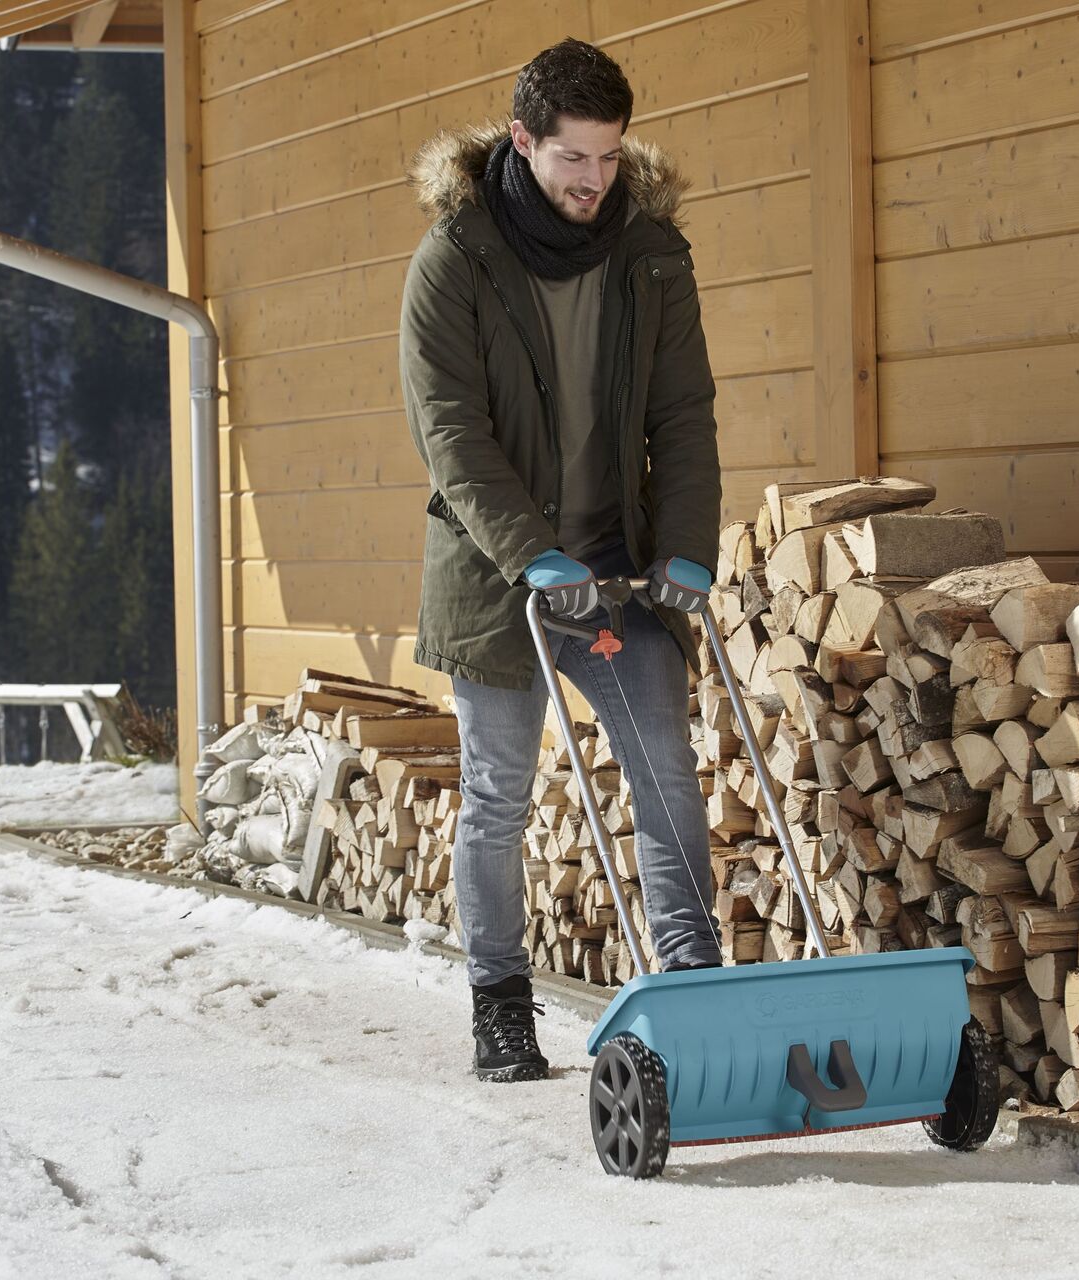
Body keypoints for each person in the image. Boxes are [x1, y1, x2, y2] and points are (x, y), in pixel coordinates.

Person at [399, 38, 724, 1082]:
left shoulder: (651, 253)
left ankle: (691, 985)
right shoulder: (455, 259)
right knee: (499, 790)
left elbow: (682, 414)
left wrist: (685, 546)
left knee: (664, 770)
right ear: (523, 140)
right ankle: (500, 1001)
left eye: (609, 158)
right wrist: (531, 553)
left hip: (618, 570)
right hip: (504, 579)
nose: (593, 181)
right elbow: (452, 435)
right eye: (572, 158)